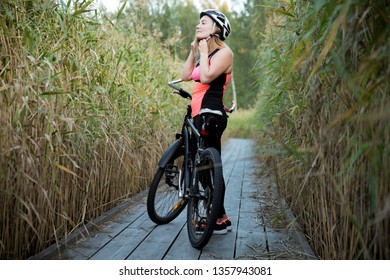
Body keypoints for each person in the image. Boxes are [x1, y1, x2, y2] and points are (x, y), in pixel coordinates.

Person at [181, 9, 233, 235]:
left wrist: (203, 50)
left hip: (211, 113)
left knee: (210, 167)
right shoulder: (204, 53)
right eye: (198, 23)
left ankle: (219, 217)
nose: (197, 26)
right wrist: (195, 50)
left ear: (217, 29)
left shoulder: (225, 53)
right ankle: (216, 214)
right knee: (199, 165)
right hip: (197, 112)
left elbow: (206, 78)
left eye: (204, 23)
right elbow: (185, 75)